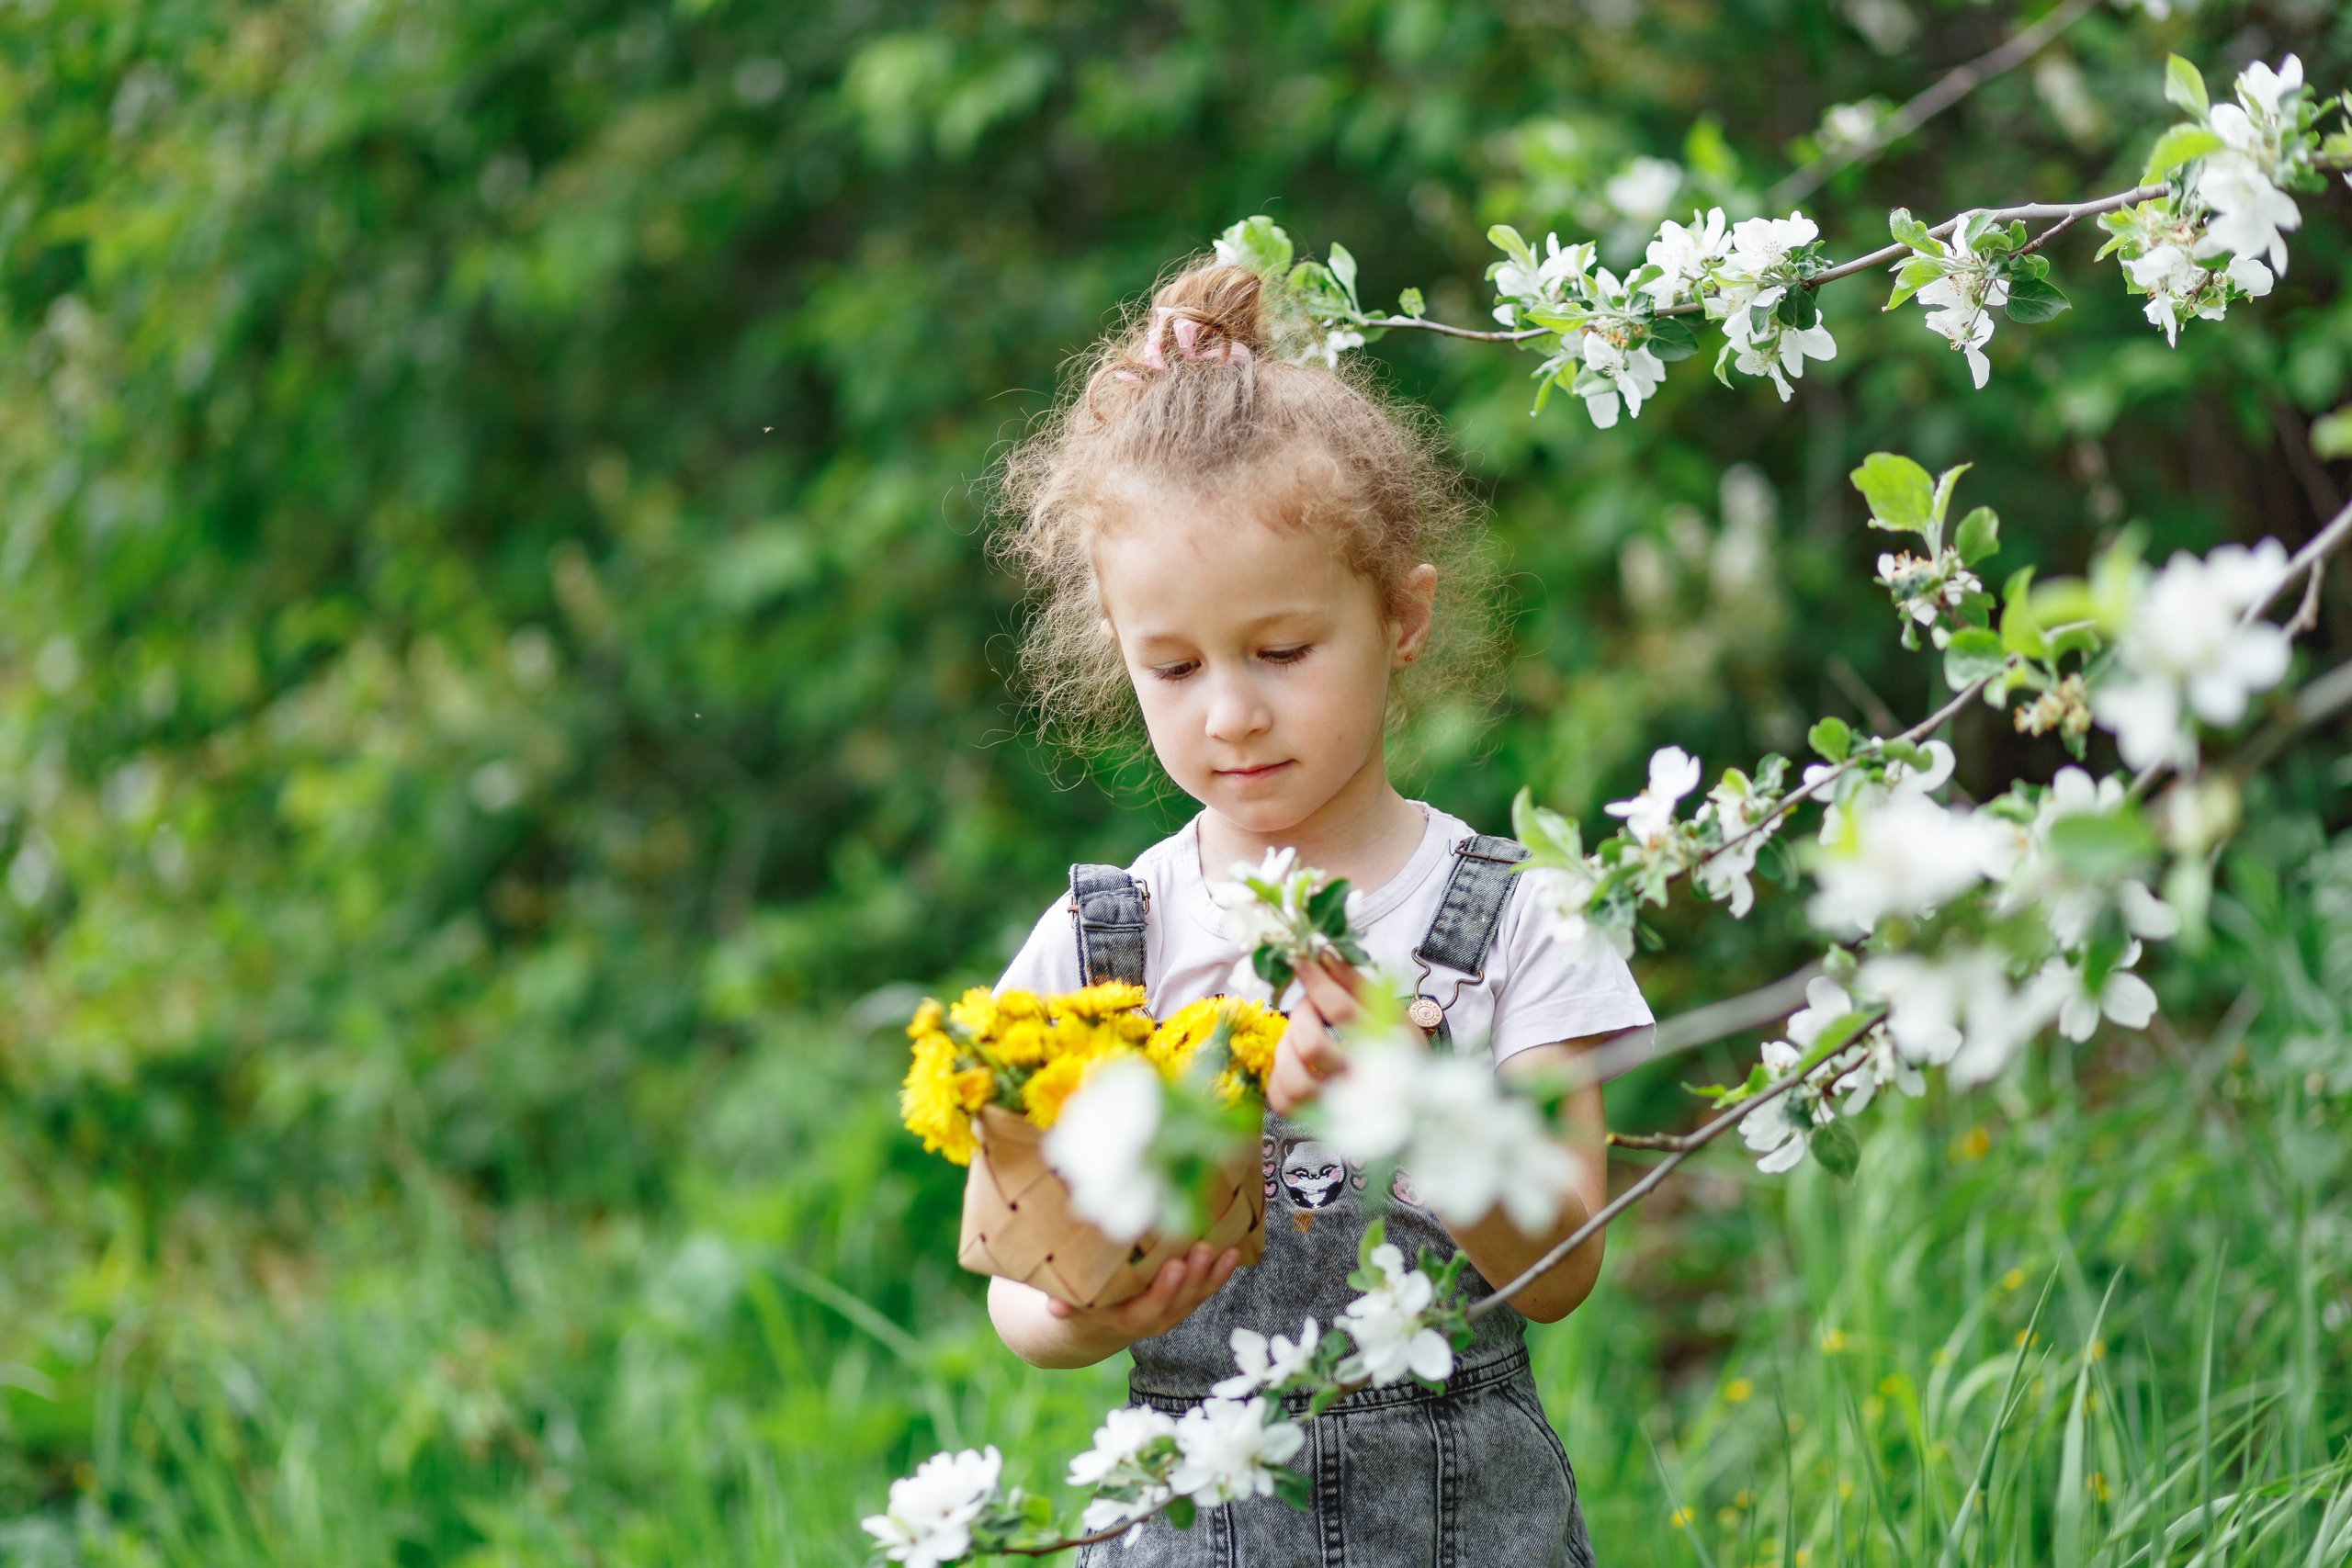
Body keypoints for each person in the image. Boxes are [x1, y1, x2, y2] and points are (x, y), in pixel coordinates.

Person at [986, 259, 1654, 1566]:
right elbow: (1025, 1284)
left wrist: (1421, 1109)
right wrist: (1100, 1313)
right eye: (1171, 667)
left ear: (1401, 616)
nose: (1229, 711)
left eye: (1282, 652)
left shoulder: (1522, 921)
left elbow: (1565, 1266)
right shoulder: (1102, 945)